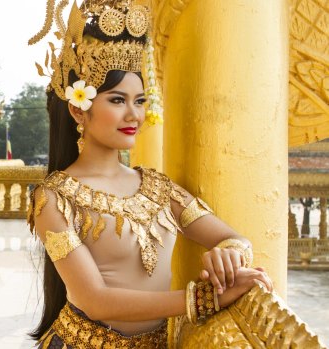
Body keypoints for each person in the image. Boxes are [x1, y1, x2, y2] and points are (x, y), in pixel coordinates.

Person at [26, 1, 274, 347]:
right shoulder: (53, 199)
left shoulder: (158, 188)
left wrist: (231, 254)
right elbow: (95, 300)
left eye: (140, 101)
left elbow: (235, 238)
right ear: (78, 109)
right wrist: (204, 300)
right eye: (117, 100)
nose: (134, 115)